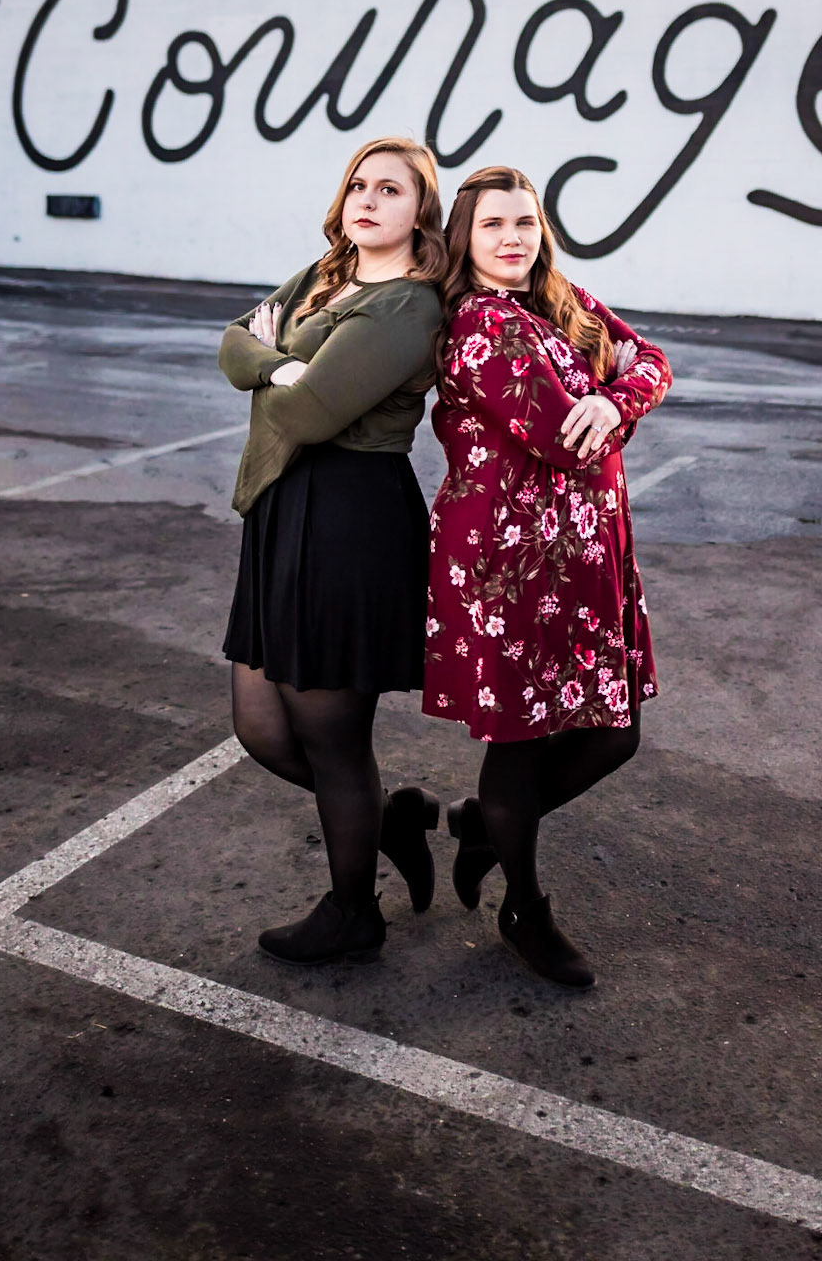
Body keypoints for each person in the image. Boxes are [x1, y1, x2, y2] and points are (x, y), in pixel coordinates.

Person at [423, 165, 671, 988]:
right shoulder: (478, 326)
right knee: (522, 743)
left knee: (613, 733)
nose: (512, 238)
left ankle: (481, 826)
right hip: (508, 568)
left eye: (525, 222)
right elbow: (565, 437)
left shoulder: (558, 298)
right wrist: (608, 404)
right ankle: (521, 906)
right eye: (494, 224)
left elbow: (653, 358)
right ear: (466, 237)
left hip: (585, 557)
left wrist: (616, 399)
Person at [218, 136, 446, 967]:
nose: (368, 200)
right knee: (260, 728)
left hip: (350, 519)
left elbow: (312, 417)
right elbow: (231, 341)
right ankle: (390, 821)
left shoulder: (410, 306)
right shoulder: (327, 272)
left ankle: (354, 913)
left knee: (329, 737)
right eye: (358, 184)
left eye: (390, 189)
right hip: (282, 510)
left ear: (421, 211)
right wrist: (282, 369)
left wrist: (273, 372)